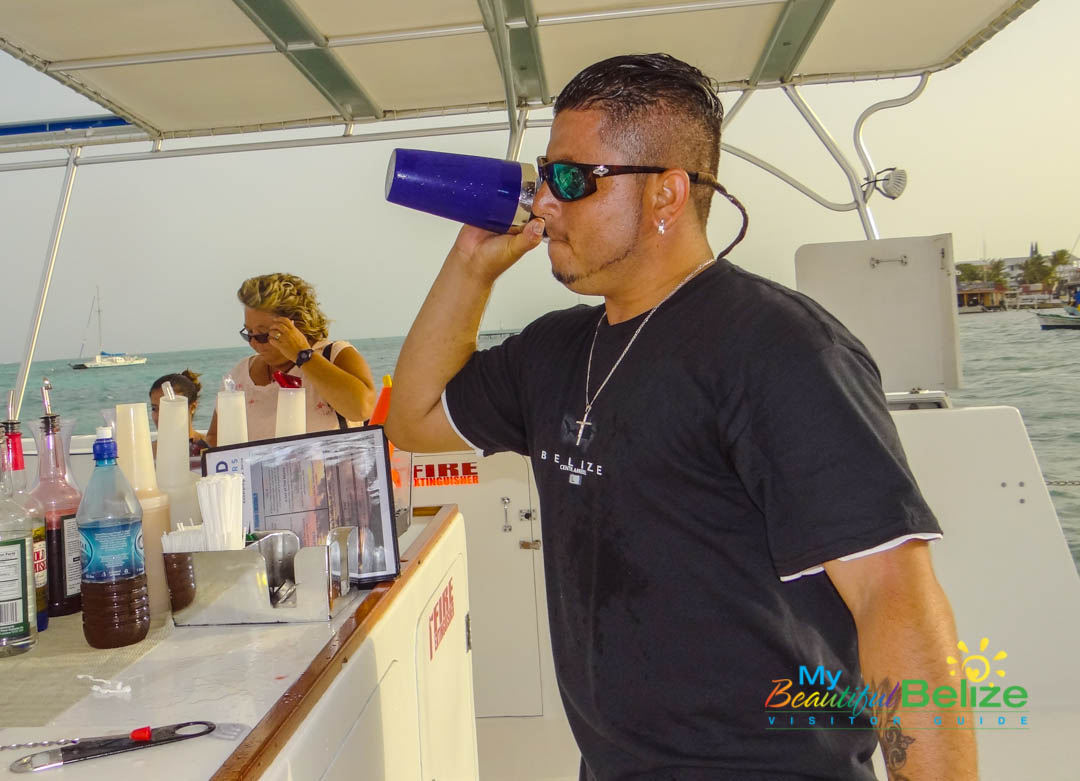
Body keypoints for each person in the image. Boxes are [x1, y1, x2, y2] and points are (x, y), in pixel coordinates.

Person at [387, 54, 976, 780]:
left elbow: (895, 596)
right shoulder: (552, 351)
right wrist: (471, 263)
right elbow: (414, 419)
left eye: (571, 179)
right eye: (543, 175)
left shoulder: (780, 349)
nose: (542, 202)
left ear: (666, 193)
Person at [206, 273, 376, 444]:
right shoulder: (240, 375)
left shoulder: (334, 356)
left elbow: (362, 409)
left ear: (297, 326)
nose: (254, 343)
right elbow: (215, 437)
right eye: (249, 333)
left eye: (263, 335)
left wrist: (302, 355)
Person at [149, 369, 209, 467]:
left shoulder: (210, 448)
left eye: (169, 407)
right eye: (154, 408)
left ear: (192, 407)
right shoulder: (146, 453)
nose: (161, 416)